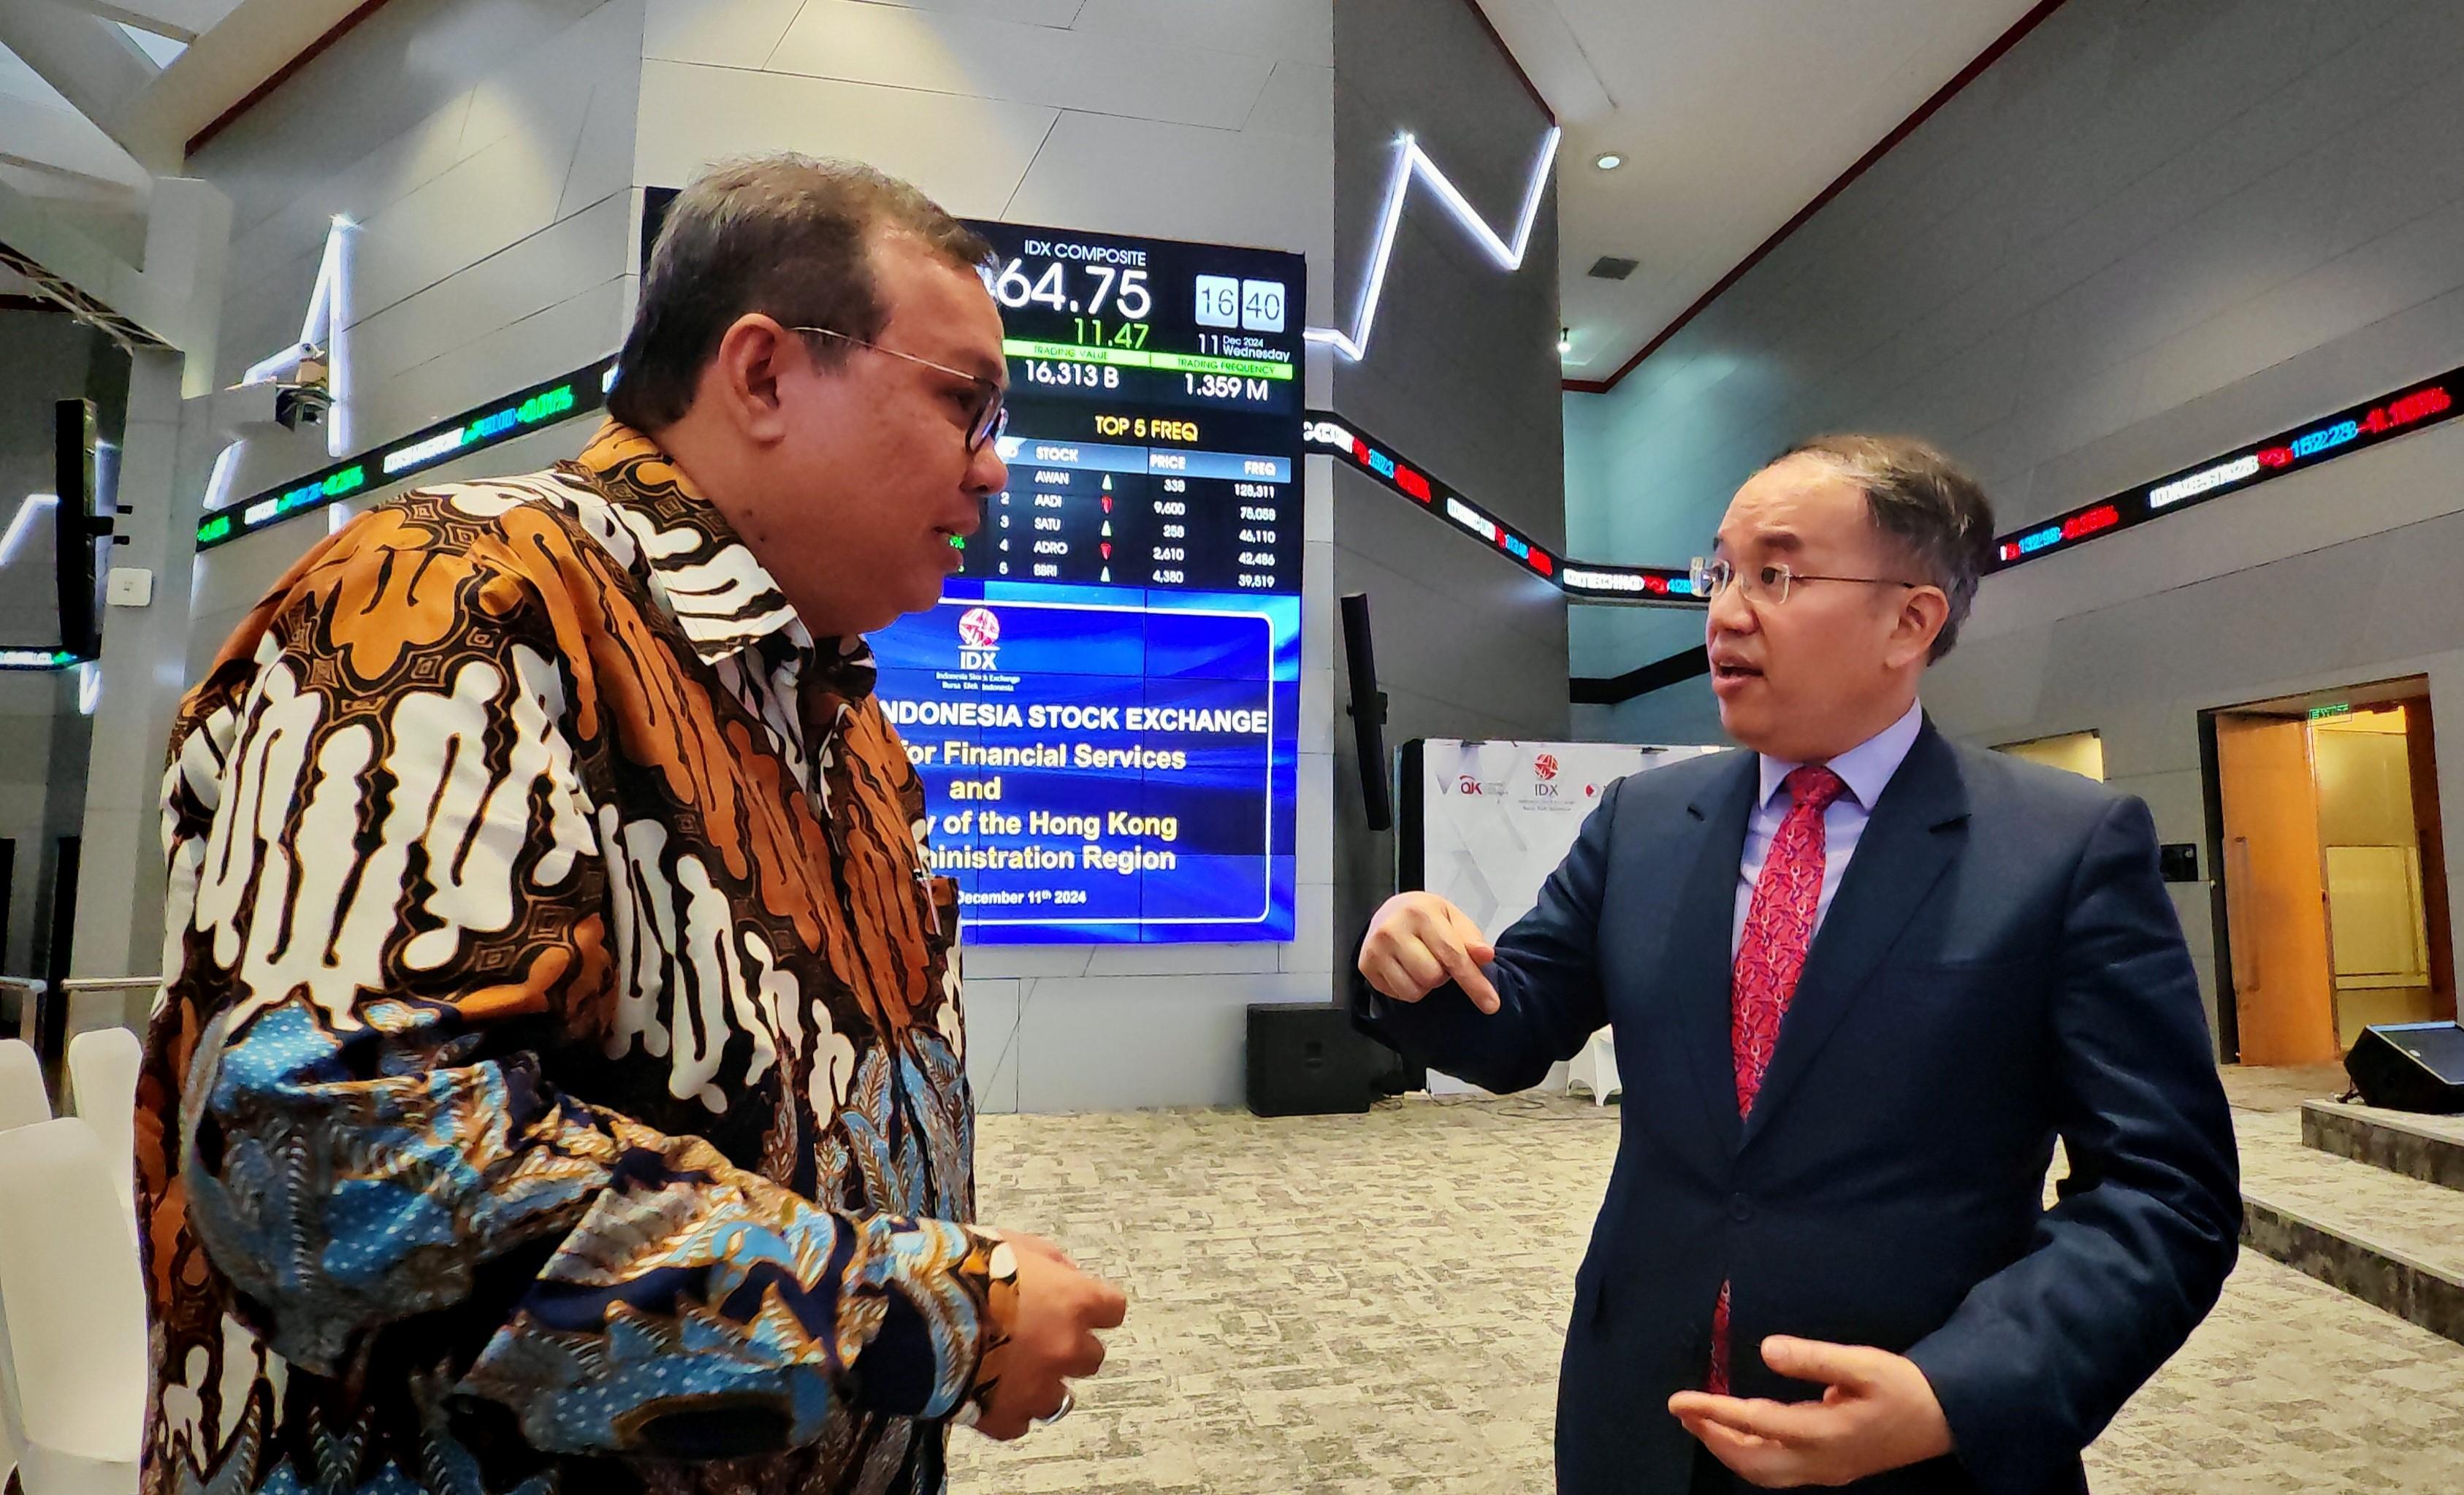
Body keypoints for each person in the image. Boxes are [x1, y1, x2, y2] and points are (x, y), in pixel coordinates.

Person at [135, 155, 1125, 1495]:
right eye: (966, 401)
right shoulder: (449, 596)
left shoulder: (838, 720)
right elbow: (337, 1172)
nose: (995, 466)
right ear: (766, 373)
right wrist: (923, 1315)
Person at [1357, 435, 2240, 1494]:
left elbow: (2164, 1193)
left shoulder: (2063, 847)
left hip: (1912, 1441)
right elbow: (1509, 1026)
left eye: (1775, 575)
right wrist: (1408, 957)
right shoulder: (1645, 822)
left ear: (1909, 622)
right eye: (1718, 572)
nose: (1724, 612)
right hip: (1642, 1420)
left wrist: (1960, 1390)